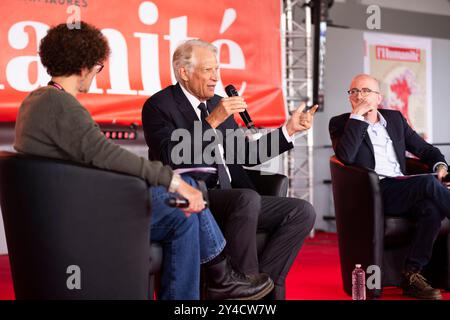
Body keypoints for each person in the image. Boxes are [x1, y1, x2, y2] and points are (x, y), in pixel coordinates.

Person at [13, 21, 274, 300]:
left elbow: (90, 159)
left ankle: (209, 285)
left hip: (69, 208)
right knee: (187, 191)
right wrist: (171, 180)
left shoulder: (39, 101)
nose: (96, 75)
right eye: (98, 68)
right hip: (82, 215)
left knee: (183, 216)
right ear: (84, 66)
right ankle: (222, 277)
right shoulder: (61, 105)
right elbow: (105, 154)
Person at [141, 39, 318, 299]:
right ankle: (237, 287)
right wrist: (212, 122)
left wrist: (288, 131)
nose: (215, 78)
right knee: (245, 199)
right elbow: (171, 157)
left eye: (217, 70)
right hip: (197, 196)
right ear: (184, 72)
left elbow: (246, 153)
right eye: (208, 71)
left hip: (237, 196)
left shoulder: (217, 103)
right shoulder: (159, 106)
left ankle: (261, 286)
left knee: (301, 211)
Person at [329, 73, 450, 300]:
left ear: (378, 97)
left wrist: (440, 164)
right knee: (426, 182)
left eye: (365, 91)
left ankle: (411, 274)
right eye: (353, 91)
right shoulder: (340, 123)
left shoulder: (394, 119)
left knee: (432, 209)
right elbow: (345, 156)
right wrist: (357, 118)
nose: (358, 95)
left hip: (402, 187)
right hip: (372, 192)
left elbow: (425, 149)